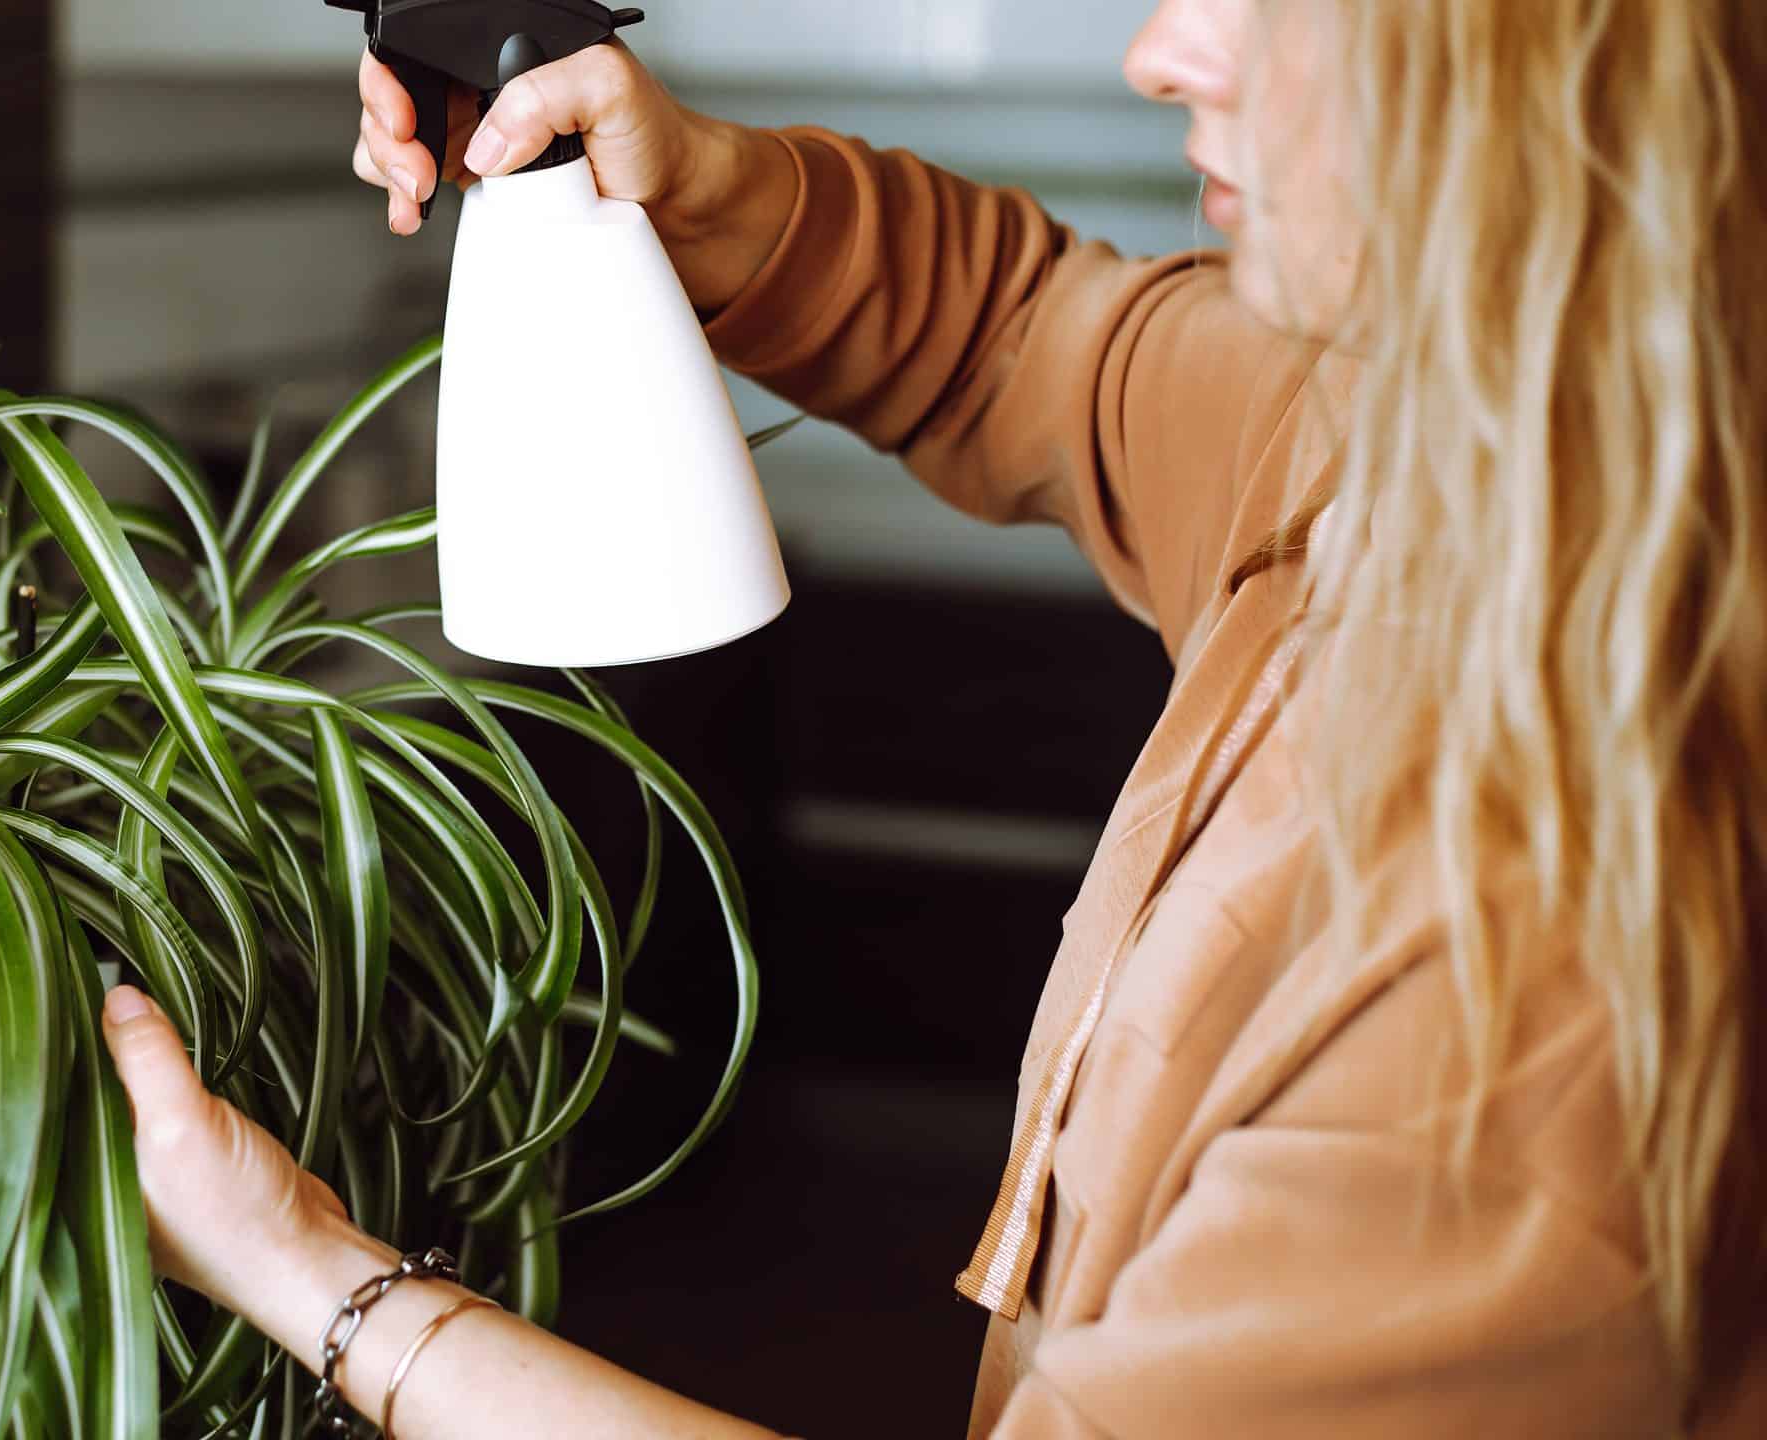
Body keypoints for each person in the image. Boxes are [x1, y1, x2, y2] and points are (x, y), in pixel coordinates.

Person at [89, 2, 1767, 1434]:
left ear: (1548, 78)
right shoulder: (1395, 439)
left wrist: (302, 1270)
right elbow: (1023, 339)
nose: (1161, 52)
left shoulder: (1535, 976)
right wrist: (688, 175)